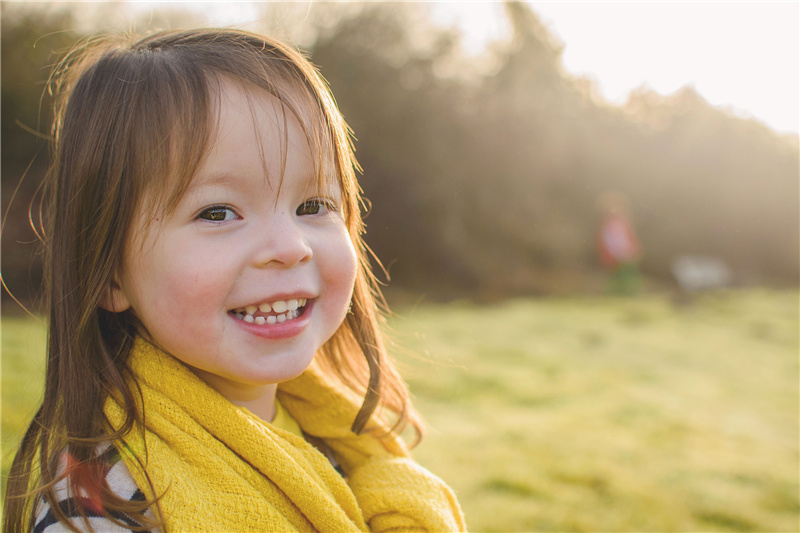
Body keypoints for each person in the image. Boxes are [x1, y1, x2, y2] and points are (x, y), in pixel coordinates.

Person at [3, 28, 466, 533]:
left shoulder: (342, 437)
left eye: (313, 205)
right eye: (218, 212)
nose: (291, 247)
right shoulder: (105, 505)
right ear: (110, 275)